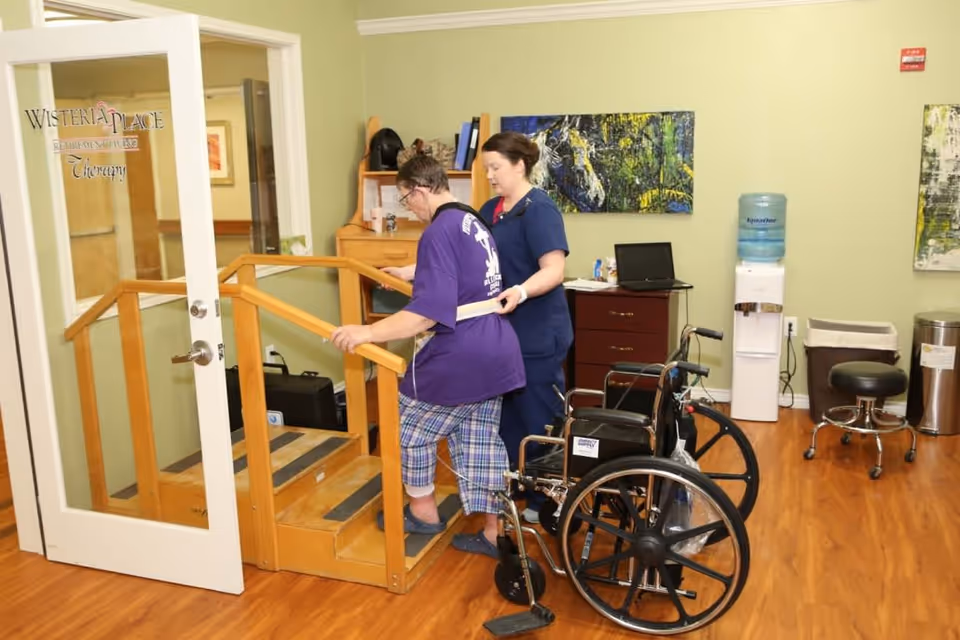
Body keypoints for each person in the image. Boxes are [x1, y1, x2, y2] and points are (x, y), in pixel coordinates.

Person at [331, 154, 525, 559]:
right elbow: (465, 272)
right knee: (481, 441)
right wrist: (413, 270)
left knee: (407, 428)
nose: (411, 210)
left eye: (406, 200)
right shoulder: (470, 219)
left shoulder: (437, 231)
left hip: (462, 353)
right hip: (496, 349)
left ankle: (422, 512)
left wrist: (365, 331)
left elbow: (423, 315)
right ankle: (494, 533)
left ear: (418, 190)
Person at [477, 132, 572, 525]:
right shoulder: (491, 209)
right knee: (509, 419)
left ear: (520, 165)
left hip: (537, 333)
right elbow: (471, 256)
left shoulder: (540, 210)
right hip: (504, 334)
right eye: (486, 169)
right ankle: (518, 485)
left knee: (539, 418)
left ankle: (548, 497)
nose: (490, 176)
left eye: (495, 167)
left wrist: (520, 290)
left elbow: (554, 270)